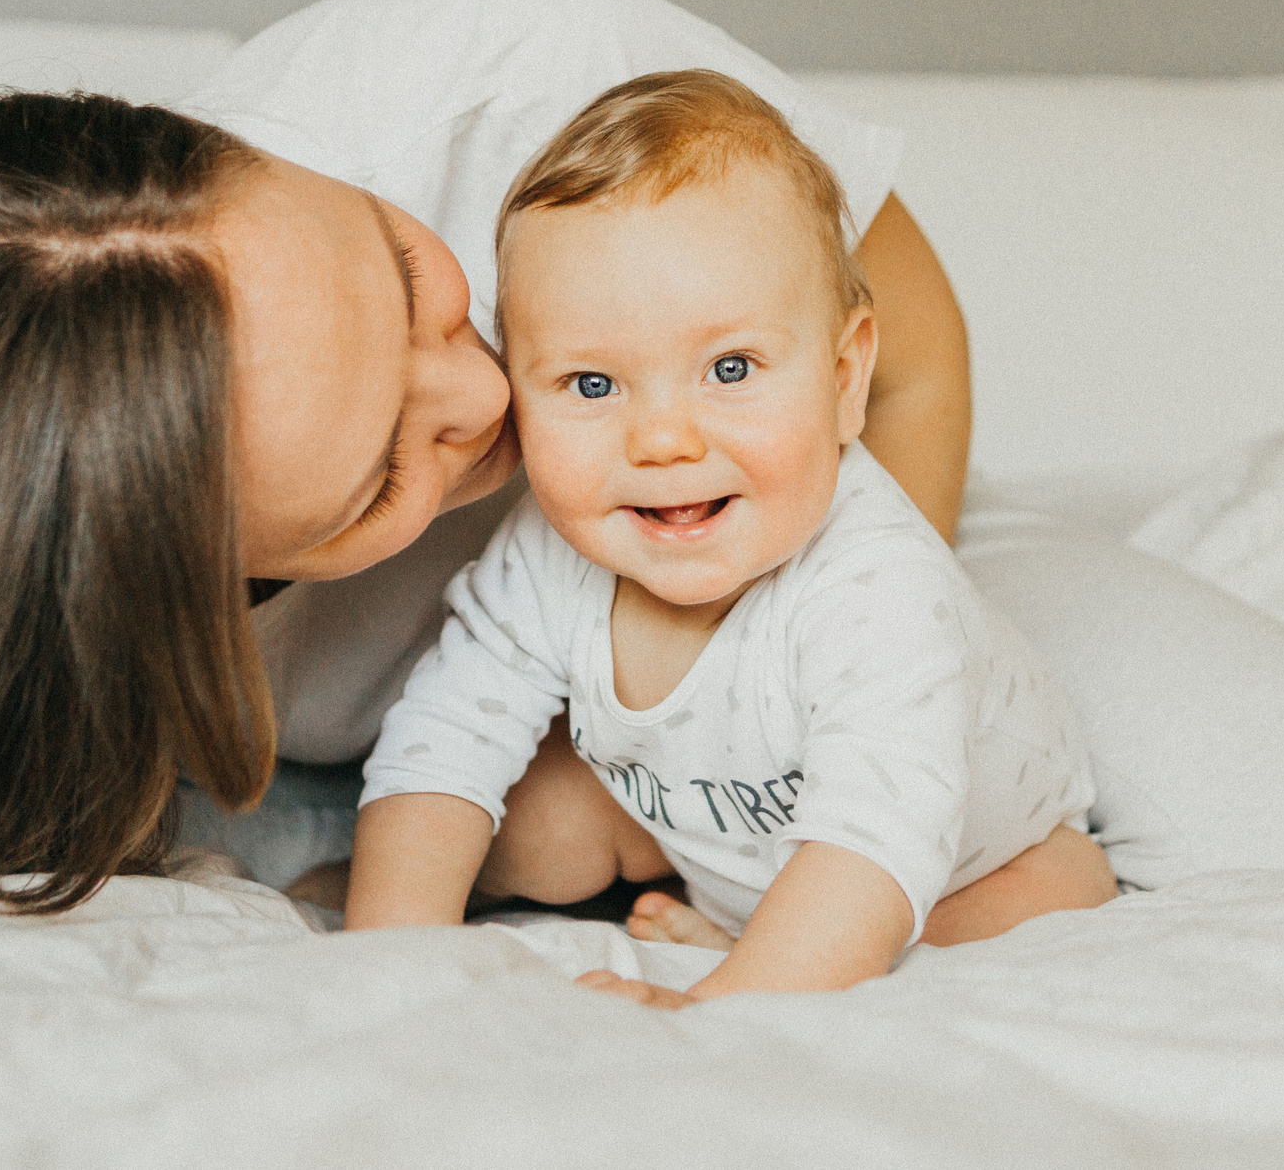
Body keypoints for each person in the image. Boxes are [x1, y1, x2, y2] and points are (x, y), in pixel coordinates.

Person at [0, 0, 980, 912]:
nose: (488, 396)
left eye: (402, 276)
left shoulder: (515, 77)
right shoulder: (73, 659)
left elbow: (902, 351)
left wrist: (744, 729)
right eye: (385, 472)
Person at [346, 72, 1111, 1006]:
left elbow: (876, 837)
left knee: (1060, 894)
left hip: (945, 857)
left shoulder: (876, 587)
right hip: (700, 827)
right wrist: (386, 947)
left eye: (731, 367)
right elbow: (445, 736)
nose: (664, 440)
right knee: (537, 818)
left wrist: (721, 1006)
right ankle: (731, 914)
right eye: (592, 384)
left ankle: (764, 943)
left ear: (843, 379)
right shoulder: (551, 546)